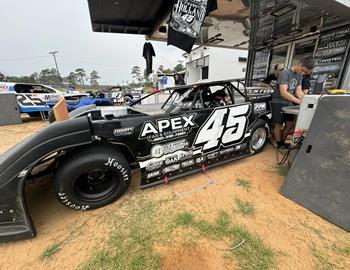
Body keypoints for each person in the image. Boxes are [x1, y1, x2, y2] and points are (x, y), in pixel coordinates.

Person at [272, 57, 315, 149]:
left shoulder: (299, 76)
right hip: (279, 102)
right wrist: (299, 102)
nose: (303, 73)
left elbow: (298, 91)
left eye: (306, 72)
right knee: (279, 124)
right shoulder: (285, 73)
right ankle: (279, 144)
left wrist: (305, 100)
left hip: (289, 102)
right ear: (300, 65)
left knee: (290, 124)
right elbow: (283, 93)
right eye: (303, 70)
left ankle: (283, 141)